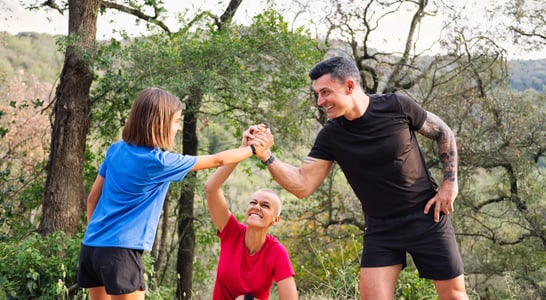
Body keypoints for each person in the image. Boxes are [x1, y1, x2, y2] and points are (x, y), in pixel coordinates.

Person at [252, 56, 469, 300]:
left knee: (454, 296)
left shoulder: (397, 106)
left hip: (427, 217)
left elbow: (442, 131)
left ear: (350, 86)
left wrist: (450, 182)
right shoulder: (331, 135)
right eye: (317, 94)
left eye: (325, 92)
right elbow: (303, 185)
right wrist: (266, 155)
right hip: (382, 228)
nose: (320, 101)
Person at [77, 87, 271, 300]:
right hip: (121, 252)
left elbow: (92, 197)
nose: (178, 128)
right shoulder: (158, 162)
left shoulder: (116, 149)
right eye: (176, 121)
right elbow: (217, 160)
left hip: (92, 247)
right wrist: (254, 149)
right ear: (159, 123)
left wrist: (97, 237)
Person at [204, 126, 298, 300]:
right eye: (253, 202)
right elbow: (211, 188)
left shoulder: (276, 252)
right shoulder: (231, 233)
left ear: (275, 219)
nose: (256, 207)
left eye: (265, 205)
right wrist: (243, 150)